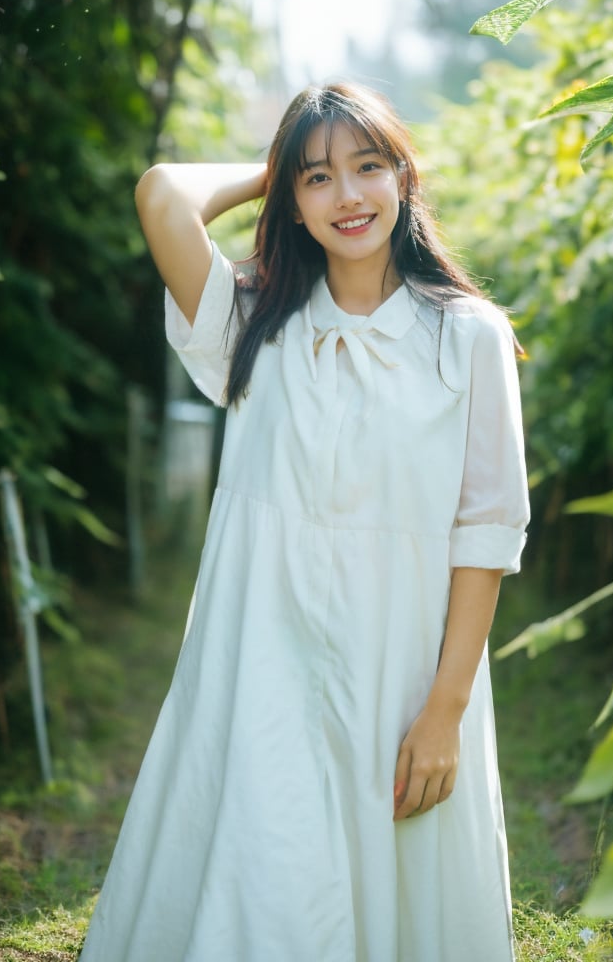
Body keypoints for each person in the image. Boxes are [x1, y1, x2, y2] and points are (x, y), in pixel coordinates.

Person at [79, 82, 530, 962]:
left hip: (399, 671)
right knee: (267, 880)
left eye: (368, 168)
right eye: (318, 179)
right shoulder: (253, 320)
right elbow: (161, 193)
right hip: (262, 665)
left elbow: (487, 532)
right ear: (290, 195)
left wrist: (446, 707)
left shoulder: (468, 336)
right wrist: (279, 166)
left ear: (405, 175)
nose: (348, 197)